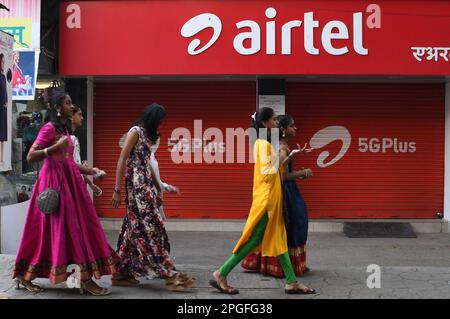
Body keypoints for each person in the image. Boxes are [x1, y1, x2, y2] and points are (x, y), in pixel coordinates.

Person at [12, 93, 119, 296]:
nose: (72, 106)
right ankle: (30, 275)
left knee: (74, 230)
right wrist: (52, 148)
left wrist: (92, 171)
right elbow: (31, 155)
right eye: (68, 103)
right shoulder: (49, 128)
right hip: (53, 186)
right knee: (55, 232)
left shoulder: (64, 131)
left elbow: (69, 162)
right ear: (58, 107)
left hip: (69, 185)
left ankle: (81, 278)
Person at [209, 107, 316, 295]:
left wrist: (290, 155)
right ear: (265, 123)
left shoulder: (263, 143)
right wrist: (283, 152)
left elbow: (275, 168)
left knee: (278, 238)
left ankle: (291, 281)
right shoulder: (263, 144)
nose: (276, 123)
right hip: (266, 201)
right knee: (254, 240)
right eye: (274, 120)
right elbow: (269, 173)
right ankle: (221, 272)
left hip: (271, 200)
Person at [111, 103, 194, 291]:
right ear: (152, 118)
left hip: (146, 187)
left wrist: (158, 190)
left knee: (134, 229)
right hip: (136, 190)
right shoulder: (136, 132)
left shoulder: (148, 137)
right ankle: (166, 272)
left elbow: (148, 165)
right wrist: (117, 190)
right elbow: (122, 159)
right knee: (150, 228)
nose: (160, 125)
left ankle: (121, 272)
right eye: (159, 121)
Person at [241, 114, 313, 277]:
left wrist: (292, 156)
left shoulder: (276, 146)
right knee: (285, 229)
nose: (295, 128)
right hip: (280, 193)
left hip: (280, 192)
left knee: (277, 232)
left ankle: (290, 277)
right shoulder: (276, 146)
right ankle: (223, 272)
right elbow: (277, 174)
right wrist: (303, 172)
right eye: (292, 125)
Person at [71, 104, 103, 196]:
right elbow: (72, 165)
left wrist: (91, 184)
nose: (82, 118)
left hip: (77, 184)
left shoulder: (74, 139)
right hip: (72, 186)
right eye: (79, 114)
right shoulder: (70, 139)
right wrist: (91, 171)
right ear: (71, 117)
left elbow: (77, 167)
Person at [0, 53, 7, 163]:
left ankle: (1, 159)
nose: (3, 63)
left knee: (2, 136)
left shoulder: (3, 76)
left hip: (3, 108)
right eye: (2, 61)